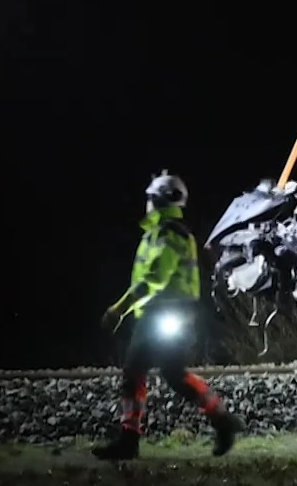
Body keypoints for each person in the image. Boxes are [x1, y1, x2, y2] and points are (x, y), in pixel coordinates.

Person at [93, 171, 241, 461]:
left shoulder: (167, 233)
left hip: (162, 313)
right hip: (171, 314)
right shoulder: (167, 232)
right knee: (172, 374)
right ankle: (222, 420)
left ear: (156, 200)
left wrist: (118, 309)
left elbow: (153, 279)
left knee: (136, 373)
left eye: (149, 198)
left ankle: (129, 439)